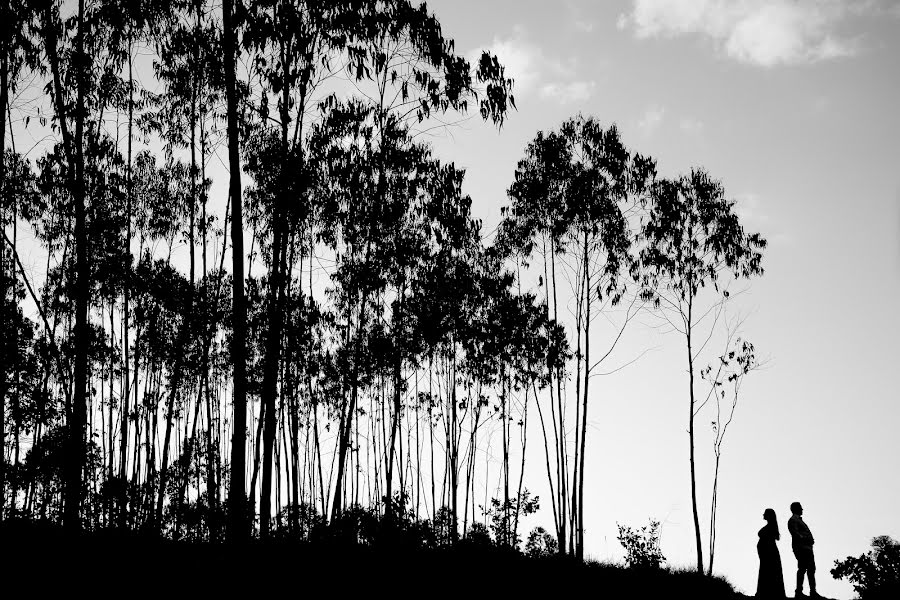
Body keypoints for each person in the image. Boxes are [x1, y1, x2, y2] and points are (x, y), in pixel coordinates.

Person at [787, 501, 819, 598]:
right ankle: (800, 592)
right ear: (796, 509)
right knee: (803, 568)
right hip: (802, 548)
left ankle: (812, 591)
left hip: (807, 548)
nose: (802, 509)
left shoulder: (799, 520)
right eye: (800, 507)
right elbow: (795, 534)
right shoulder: (793, 520)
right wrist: (806, 539)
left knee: (810, 569)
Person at [757, 508, 786, 597]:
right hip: (768, 552)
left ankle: (767, 592)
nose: (763, 515)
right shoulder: (770, 527)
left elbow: (768, 541)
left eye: (765, 513)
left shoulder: (770, 527)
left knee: (768, 571)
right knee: (767, 571)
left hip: (769, 553)